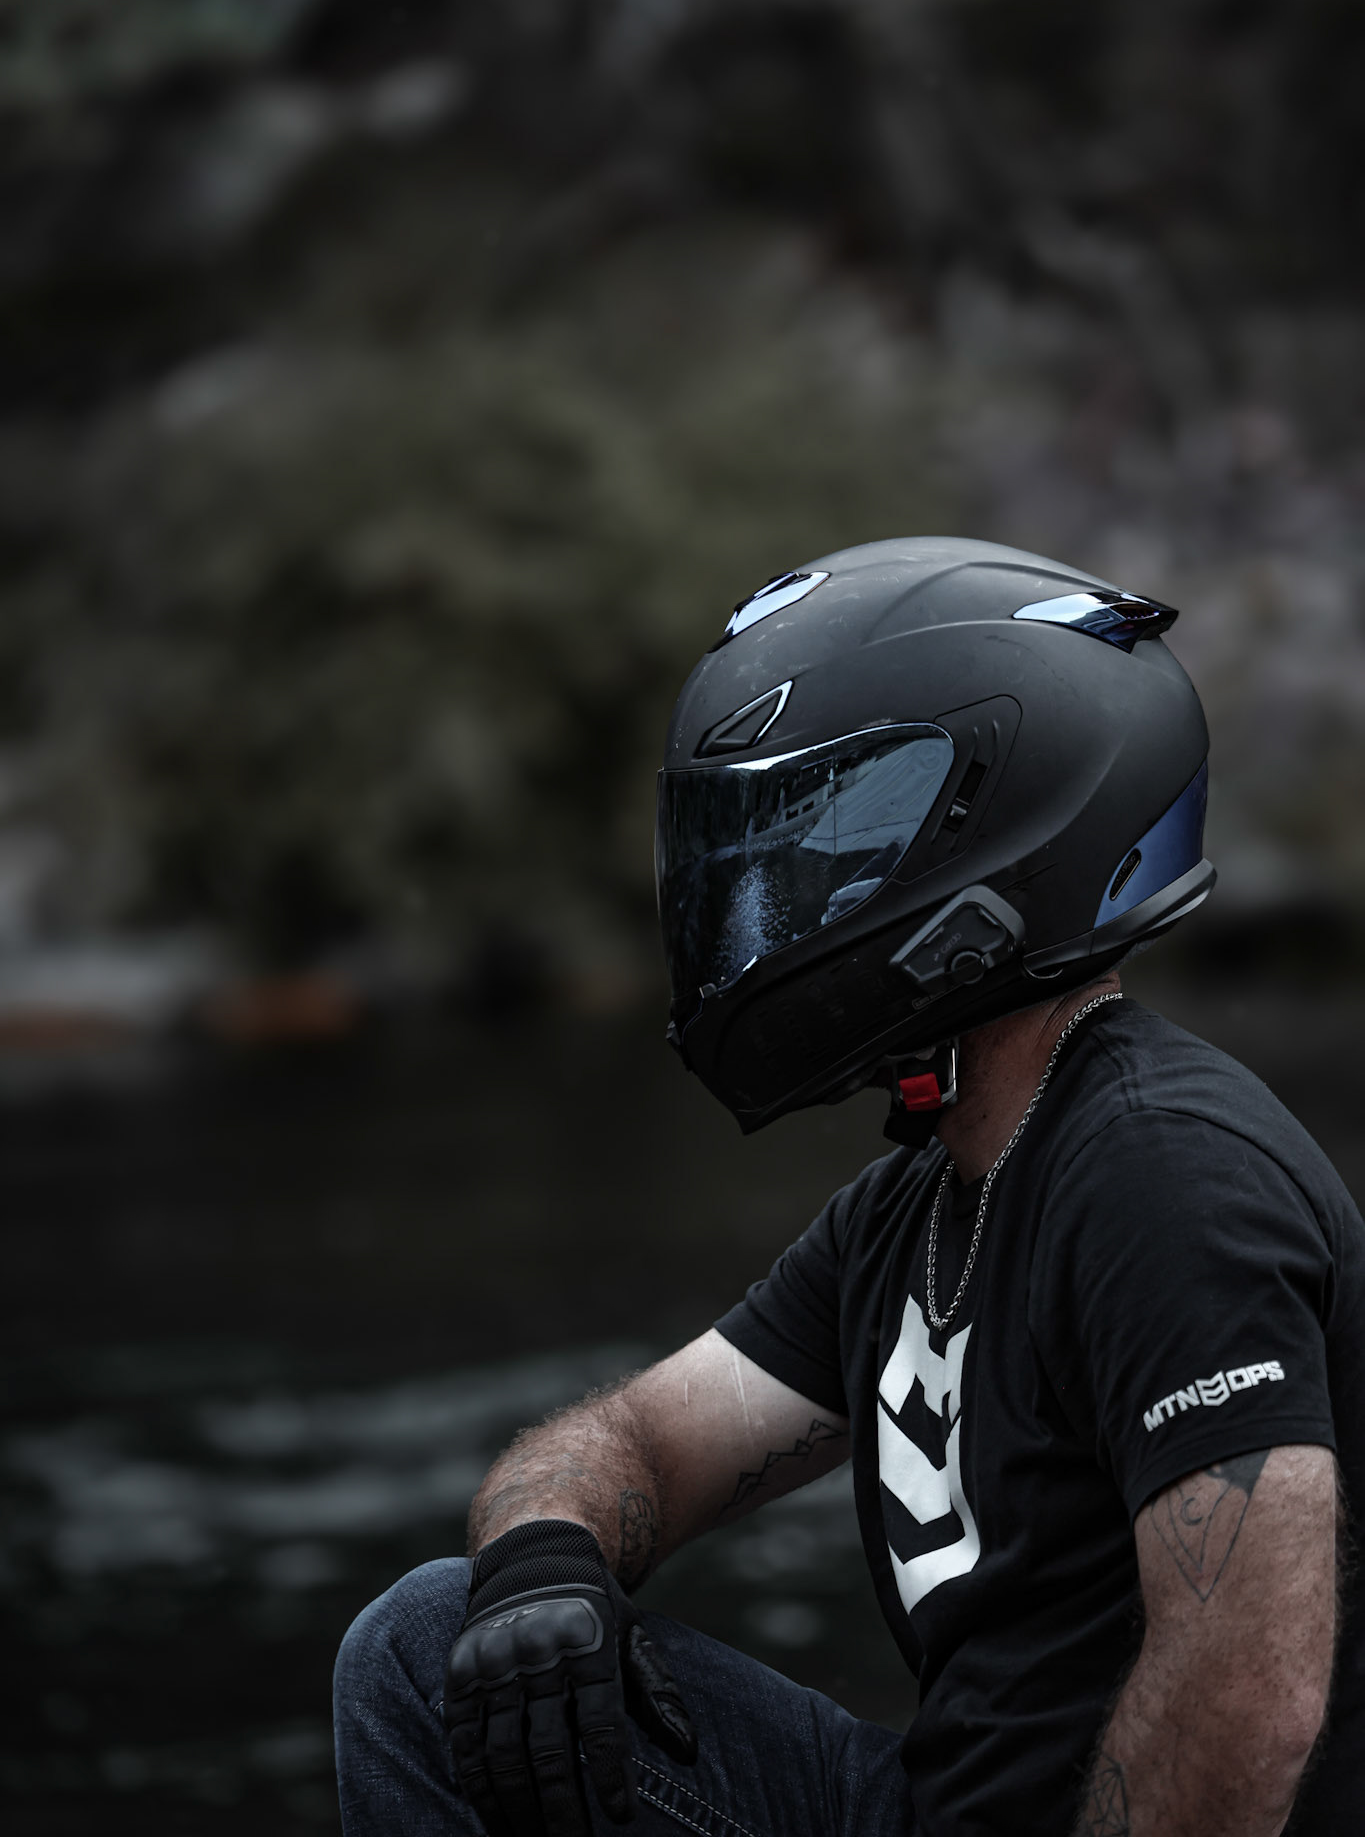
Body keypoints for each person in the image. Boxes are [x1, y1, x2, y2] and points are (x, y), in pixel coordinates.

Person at [334, 538, 1363, 1836]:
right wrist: (546, 1558)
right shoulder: (913, 1205)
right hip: (928, 1809)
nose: (769, 900)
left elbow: (1252, 1700)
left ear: (995, 839)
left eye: (831, 843)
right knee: (429, 1650)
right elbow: (635, 1442)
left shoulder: (1163, 1173)